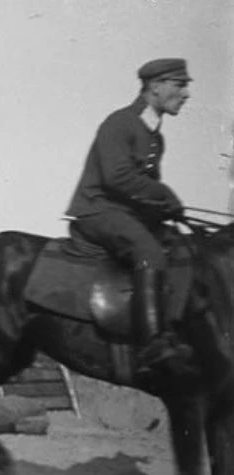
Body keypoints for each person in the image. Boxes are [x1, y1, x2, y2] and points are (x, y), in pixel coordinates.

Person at [64, 58, 192, 373]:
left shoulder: (155, 136)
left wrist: (166, 212)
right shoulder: (120, 123)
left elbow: (141, 193)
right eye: (179, 85)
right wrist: (165, 195)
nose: (186, 94)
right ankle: (152, 347)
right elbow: (117, 178)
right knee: (149, 252)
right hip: (96, 210)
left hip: (122, 213)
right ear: (155, 87)